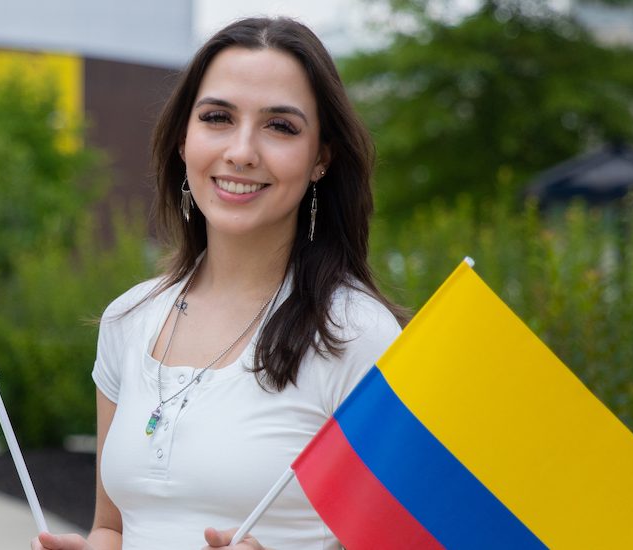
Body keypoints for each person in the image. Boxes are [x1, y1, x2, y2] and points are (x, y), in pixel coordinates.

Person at [33, 16, 405, 550]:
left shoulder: (355, 336)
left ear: (321, 157)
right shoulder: (128, 319)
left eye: (281, 126)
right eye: (217, 118)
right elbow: (113, 526)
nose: (242, 151)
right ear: (184, 139)